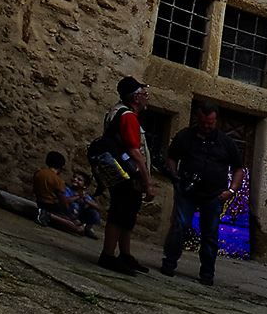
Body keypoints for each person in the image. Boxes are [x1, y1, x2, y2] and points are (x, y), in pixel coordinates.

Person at [161, 102, 245, 288]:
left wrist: (231, 190)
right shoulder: (185, 136)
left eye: (210, 123)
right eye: (203, 122)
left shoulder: (226, 143)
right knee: (180, 226)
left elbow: (238, 168)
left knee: (210, 234)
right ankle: (169, 263)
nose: (207, 126)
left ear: (216, 121)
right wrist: (175, 177)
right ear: (197, 119)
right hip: (187, 191)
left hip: (214, 195)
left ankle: (207, 273)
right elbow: (172, 156)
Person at [97, 76, 155, 276]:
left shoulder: (115, 111)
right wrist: (148, 182)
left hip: (119, 171)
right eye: (144, 93)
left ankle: (125, 254)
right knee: (119, 213)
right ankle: (108, 255)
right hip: (127, 174)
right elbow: (135, 152)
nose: (147, 97)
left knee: (128, 213)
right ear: (136, 97)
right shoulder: (128, 116)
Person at [31, 150, 87, 235]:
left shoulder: (39, 173)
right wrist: (69, 214)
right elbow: (63, 201)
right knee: (78, 228)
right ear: (61, 166)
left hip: (40, 202)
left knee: (74, 222)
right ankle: (48, 215)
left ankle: (47, 214)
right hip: (51, 205)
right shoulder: (57, 180)